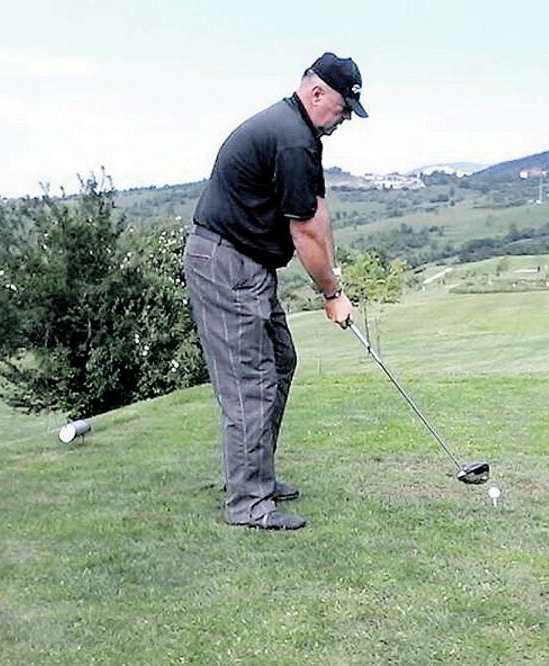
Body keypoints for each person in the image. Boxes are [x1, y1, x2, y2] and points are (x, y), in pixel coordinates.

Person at [183, 52, 367, 530]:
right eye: (343, 107)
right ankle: (248, 502)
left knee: (280, 360)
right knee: (251, 379)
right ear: (316, 92)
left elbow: (317, 214)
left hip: (246, 262)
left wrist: (336, 283)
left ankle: (256, 475)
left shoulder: (302, 136)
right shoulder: (290, 139)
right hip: (226, 262)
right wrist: (330, 295)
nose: (344, 117)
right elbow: (302, 233)